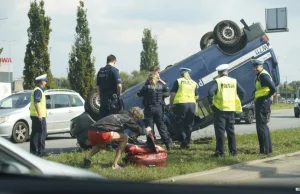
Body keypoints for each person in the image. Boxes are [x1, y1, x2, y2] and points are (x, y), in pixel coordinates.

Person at [83, 107, 152, 169]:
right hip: (101, 133)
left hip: (91, 131)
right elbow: (140, 130)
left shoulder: (120, 114)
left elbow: (115, 128)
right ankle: (115, 165)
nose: (136, 121)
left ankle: (88, 157)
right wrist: (147, 129)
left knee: (100, 145)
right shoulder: (129, 119)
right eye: (137, 119)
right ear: (135, 116)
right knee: (125, 138)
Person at [208, 64, 245, 157]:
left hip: (220, 110)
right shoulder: (234, 81)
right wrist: (237, 100)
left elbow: (210, 92)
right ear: (227, 72)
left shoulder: (218, 81)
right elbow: (242, 92)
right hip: (231, 109)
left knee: (220, 132)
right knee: (231, 132)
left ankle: (220, 153)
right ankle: (233, 152)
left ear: (219, 73)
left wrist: (212, 104)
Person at [137, 72, 171, 150]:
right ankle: (167, 145)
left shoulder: (145, 87)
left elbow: (137, 95)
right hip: (159, 109)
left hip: (149, 109)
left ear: (148, 79)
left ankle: (151, 145)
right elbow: (167, 90)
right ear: (156, 78)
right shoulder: (161, 86)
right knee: (161, 127)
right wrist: (161, 81)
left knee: (149, 128)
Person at [170, 67, 199, 149]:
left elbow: (172, 94)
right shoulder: (193, 83)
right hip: (192, 104)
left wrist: (171, 104)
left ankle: (184, 141)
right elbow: (197, 96)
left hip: (181, 104)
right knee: (189, 124)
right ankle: (187, 142)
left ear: (181, 74)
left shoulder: (178, 81)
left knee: (180, 123)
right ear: (188, 74)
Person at [251, 59, 276, 155]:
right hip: (262, 102)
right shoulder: (260, 75)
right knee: (264, 126)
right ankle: (268, 149)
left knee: (261, 126)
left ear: (261, 66)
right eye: (254, 67)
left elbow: (273, 88)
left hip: (263, 103)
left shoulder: (263, 76)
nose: (255, 69)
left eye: (256, 67)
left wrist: (265, 97)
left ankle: (264, 151)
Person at [96, 54, 122, 119]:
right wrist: (119, 93)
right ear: (114, 61)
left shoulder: (100, 71)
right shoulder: (114, 70)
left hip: (103, 100)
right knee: (112, 121)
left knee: (102, 120)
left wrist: (100, 96)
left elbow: (98, 87)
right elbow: (119, 85)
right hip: (112, 100)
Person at [29, 74, 48, 157]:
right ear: (41, 82)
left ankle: (33, 152)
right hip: (39, 116)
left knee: (35, 133)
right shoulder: (38, 90)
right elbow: (36, 102)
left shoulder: (36, 90)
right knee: (42, 133)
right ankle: (41, 152)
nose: (46, 82)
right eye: (45, 80)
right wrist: (40, 114)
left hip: (34, 115)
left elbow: (33, 104)